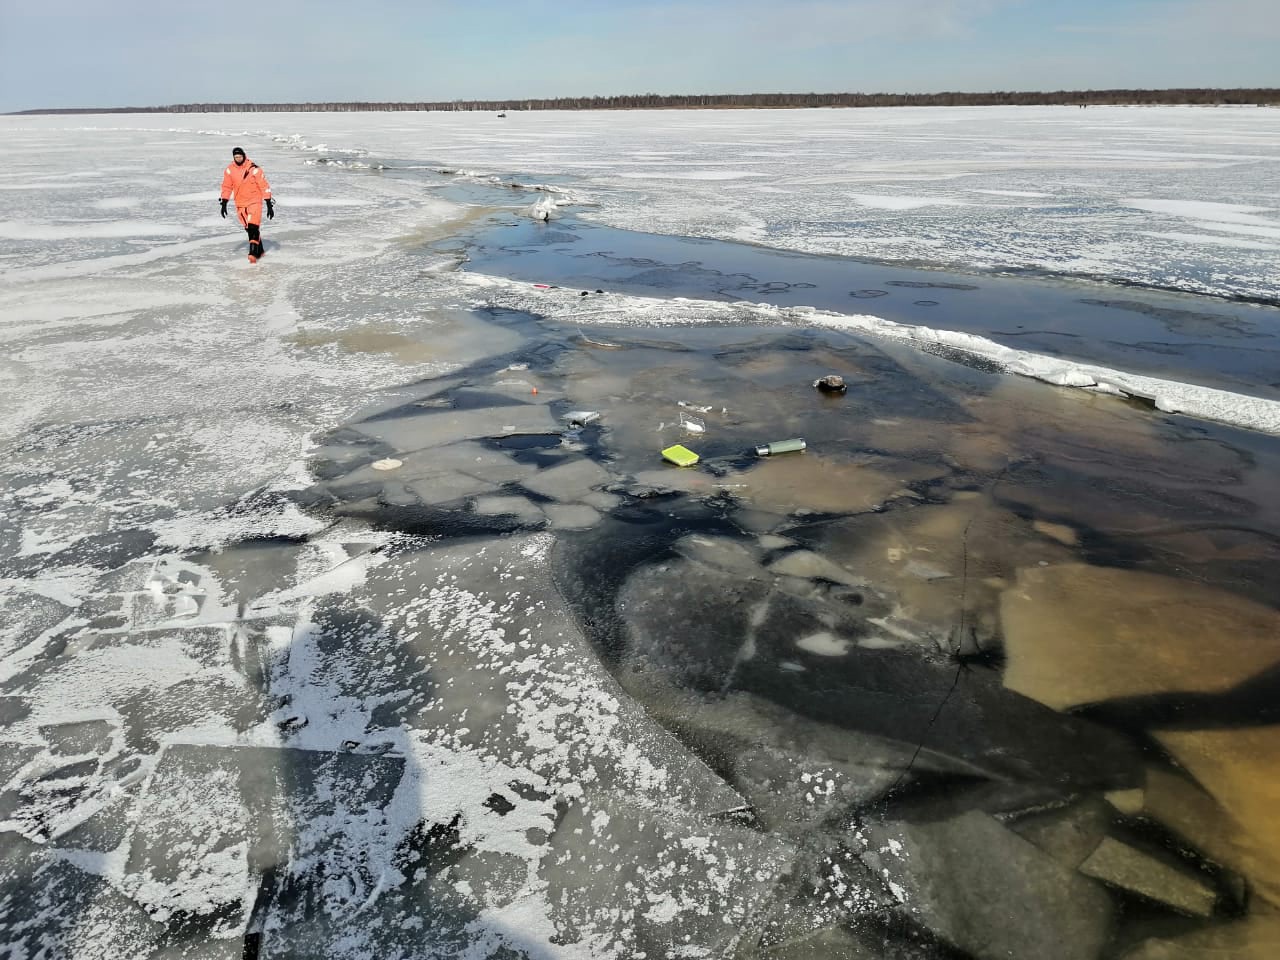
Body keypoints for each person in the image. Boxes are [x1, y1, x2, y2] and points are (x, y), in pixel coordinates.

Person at [219, 146, 274, 263]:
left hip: (254, 201)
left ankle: (253, 253)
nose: (238, 159)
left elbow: (264, 186)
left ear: (244, 156)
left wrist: (269, 203)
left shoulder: (254, 169)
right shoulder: (229, 170)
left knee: (253, 225)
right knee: (249, 228)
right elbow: (227, 186)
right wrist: (224, 202)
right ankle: (260, 250)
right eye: (236, 157)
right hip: (240, 203)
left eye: (240, 156)